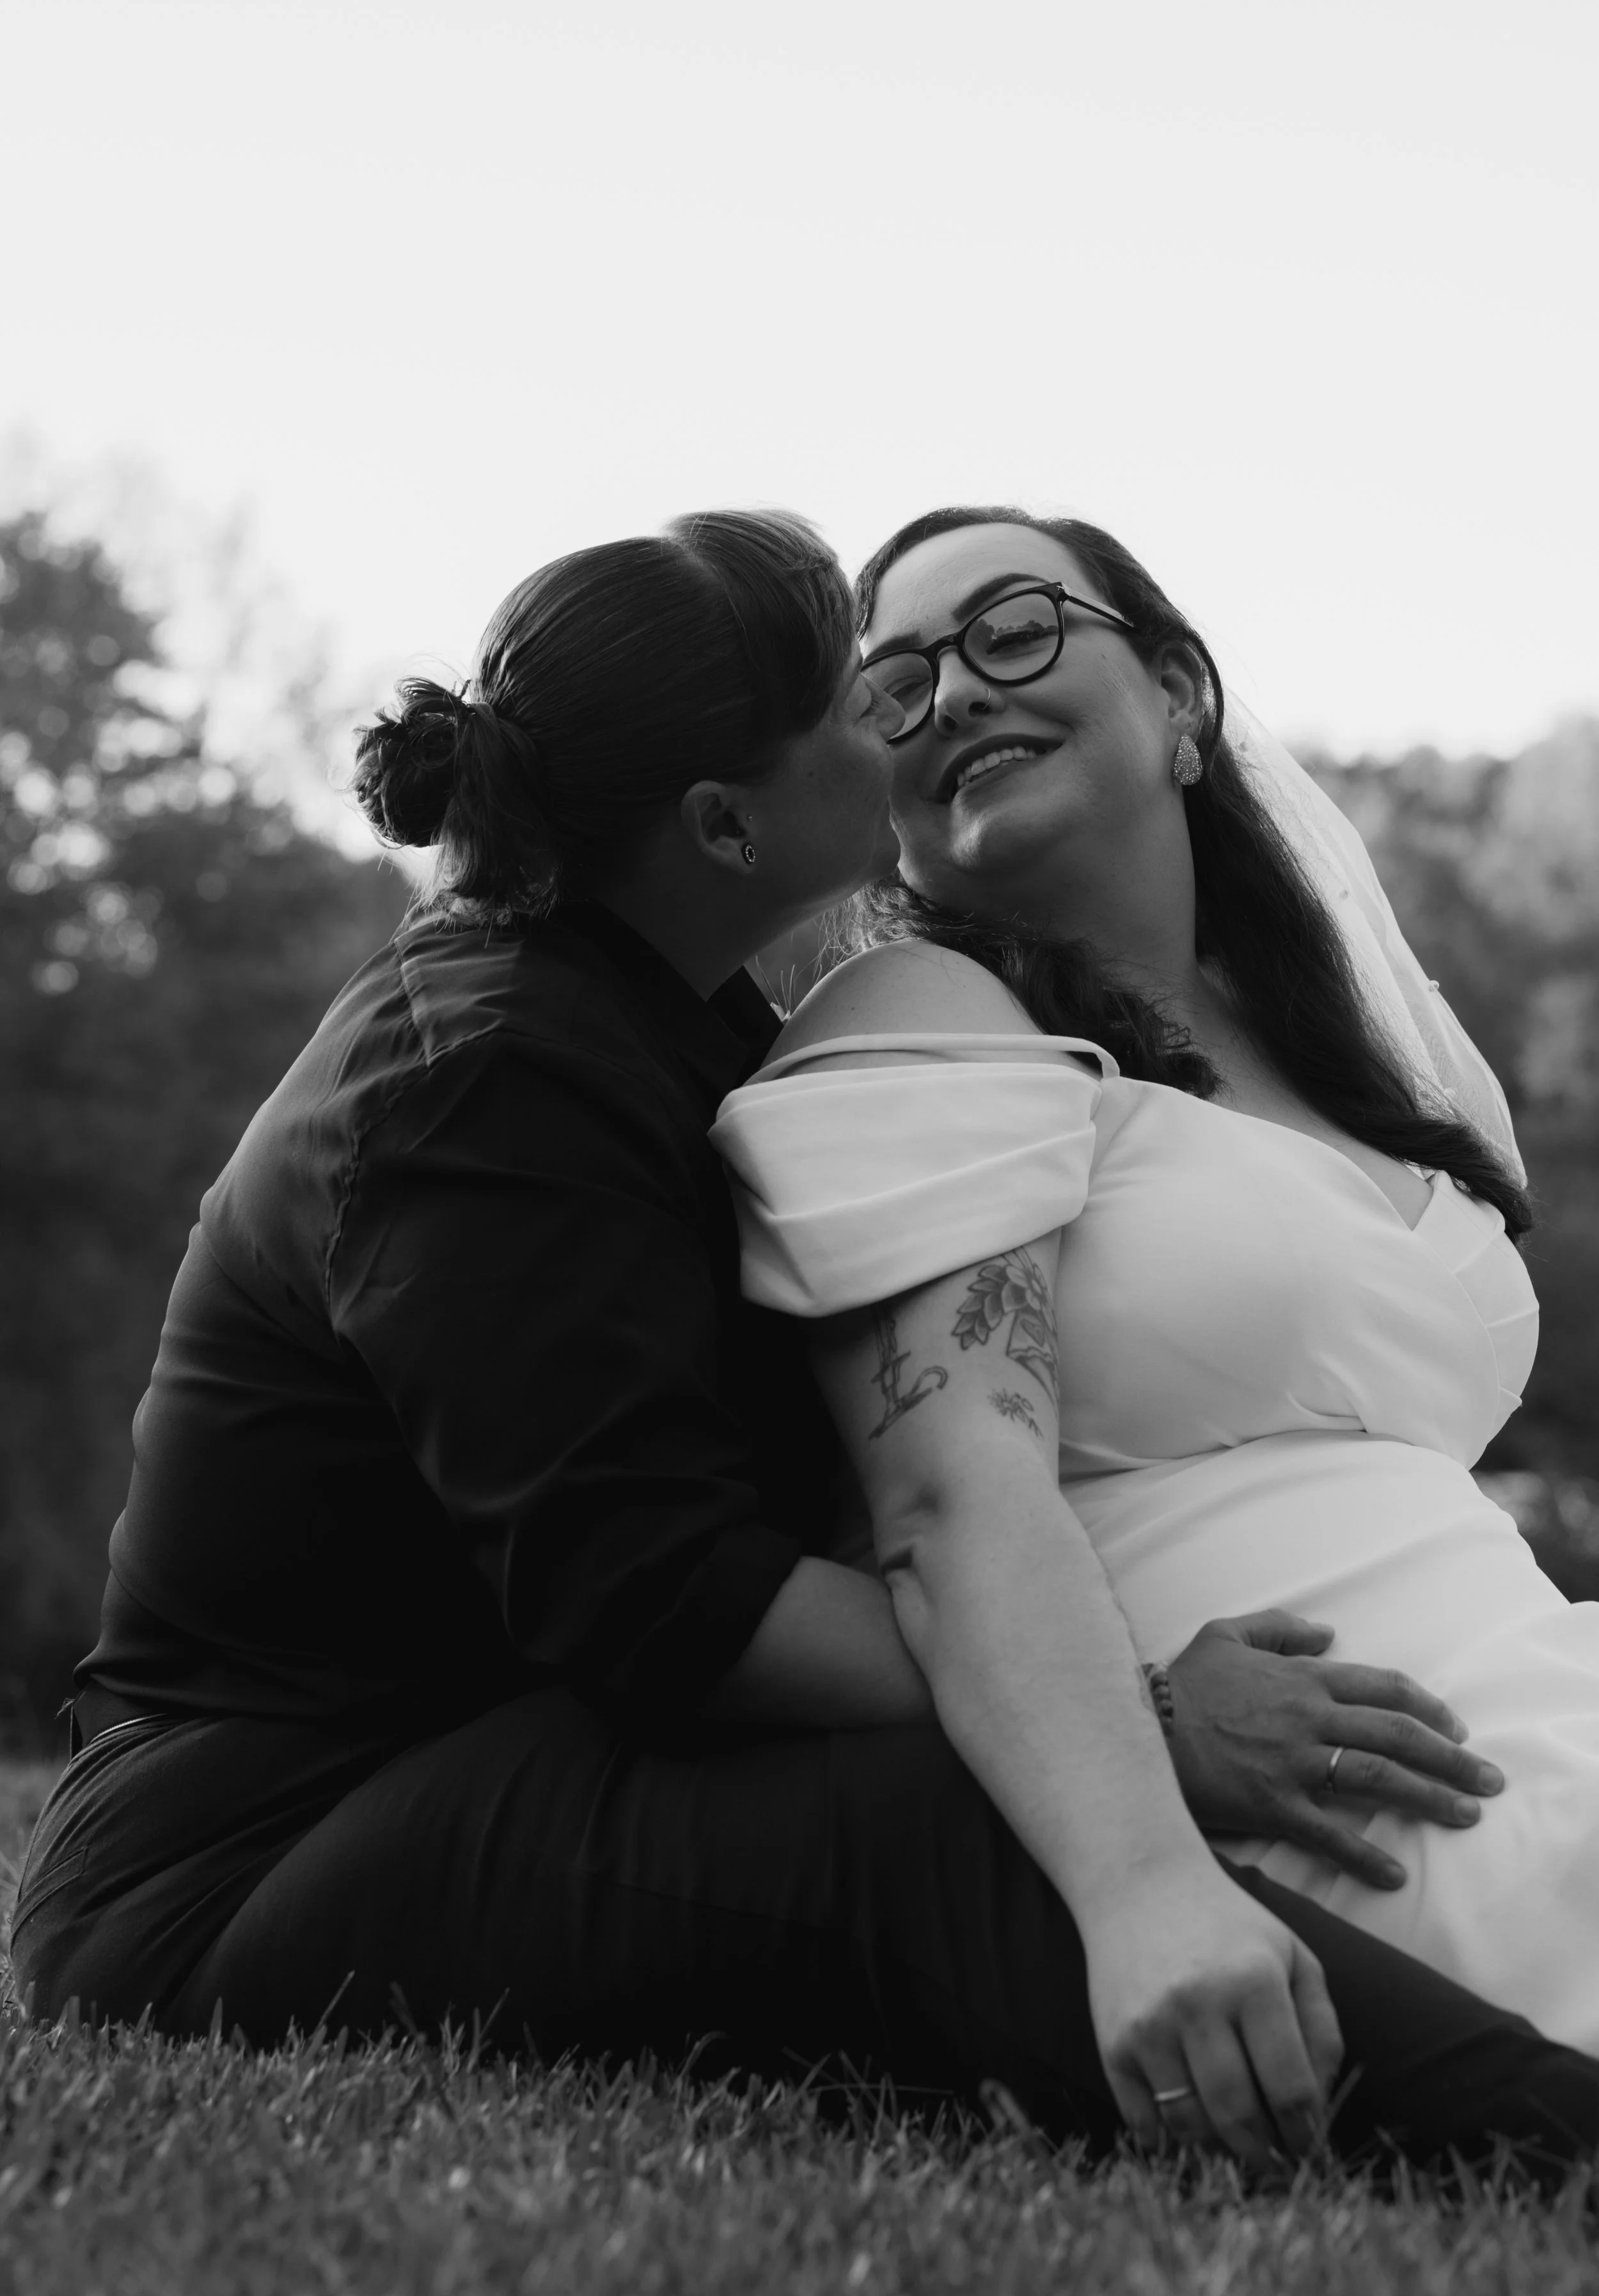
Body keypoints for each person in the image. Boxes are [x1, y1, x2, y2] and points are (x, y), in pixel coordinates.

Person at [12, 514, 1599, 2185]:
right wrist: (1140, 1728)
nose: (910, 715)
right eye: (870, 691)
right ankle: (1553, 2144)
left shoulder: (666, 1020)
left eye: (974, 647)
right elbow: (657, 1593)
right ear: (721, 821)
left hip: (499, 1738)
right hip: (262, 1841)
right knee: (922, 1834)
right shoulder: (475, 1065)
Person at [710, 504, 1599, 2104]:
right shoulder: (926, 1015)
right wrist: (1141, 1888)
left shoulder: (1348, 1050)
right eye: (894, 686)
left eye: (1010, 631)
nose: (956, 693)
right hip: (1326, 1789)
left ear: (1181, 698)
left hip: (1535, 1679)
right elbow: (937, 1499)